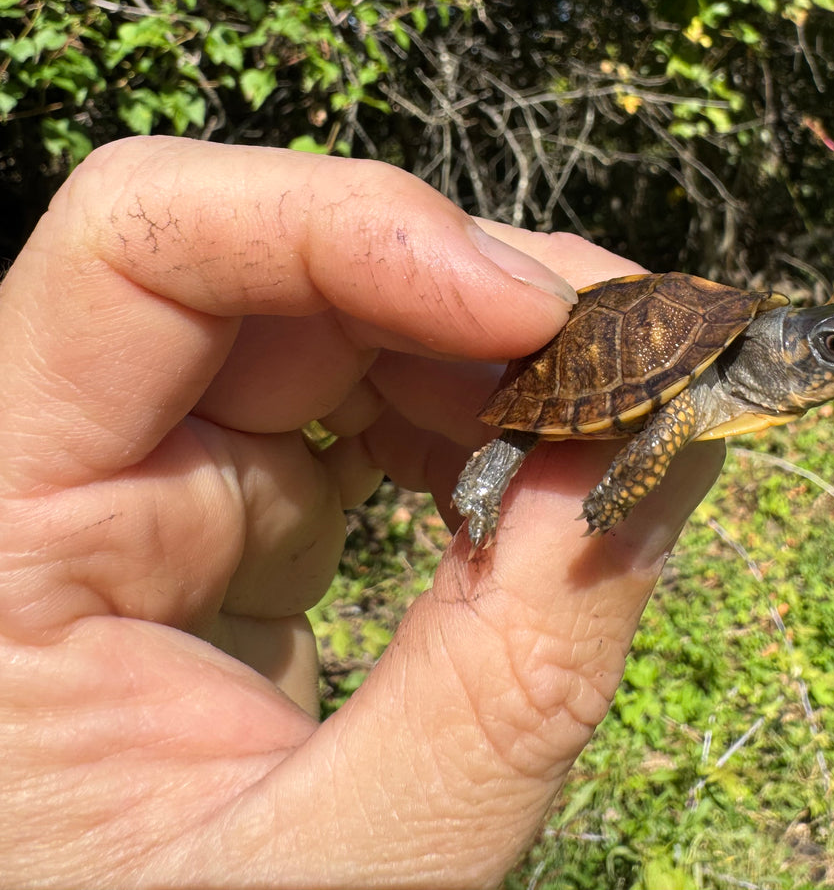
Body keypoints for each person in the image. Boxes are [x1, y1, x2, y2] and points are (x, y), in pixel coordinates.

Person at [0, 137, 724, 888]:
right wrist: (614, 499)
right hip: (582, 371)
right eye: (830, 348)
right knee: (528, 437)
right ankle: (488, 483)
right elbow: (665, 421)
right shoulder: (696, 389)